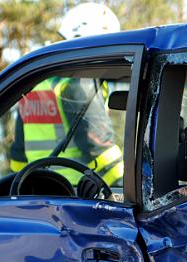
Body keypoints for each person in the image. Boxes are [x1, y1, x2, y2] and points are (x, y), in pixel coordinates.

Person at [9, 3, 124, 186]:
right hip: (75, 195)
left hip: (36, 193)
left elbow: (18, 156)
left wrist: (17, 189)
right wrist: (126, 185)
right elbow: (97, 145)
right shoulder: (77, 82)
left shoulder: (36, 81)